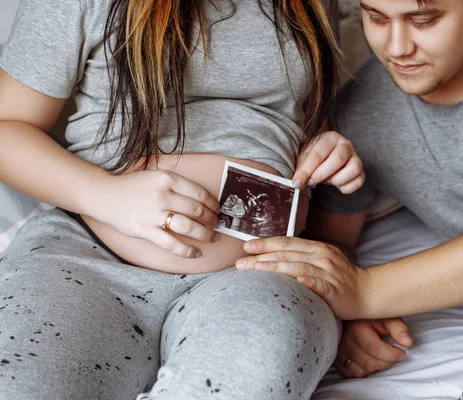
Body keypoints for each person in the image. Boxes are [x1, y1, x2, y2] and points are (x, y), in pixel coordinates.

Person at [0, 0, 367, 398]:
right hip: (86, 255)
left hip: (263, 269)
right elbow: (7, 129)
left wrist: (325, 147)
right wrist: (105, 196)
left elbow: (295, 113)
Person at [235, 0, 463, 379]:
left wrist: (366, 293)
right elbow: (335, 249)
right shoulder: (358, 118)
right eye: (375, 18)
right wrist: (351, 312)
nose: (396, 48)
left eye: (423, 21)